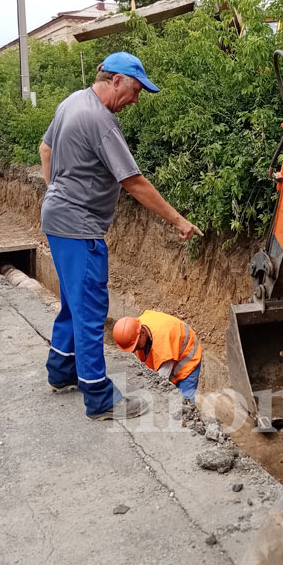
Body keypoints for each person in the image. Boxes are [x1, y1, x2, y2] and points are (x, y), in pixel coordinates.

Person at [39, 52, 203, 421]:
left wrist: (55, 192)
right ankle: (99, 397)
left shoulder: (71, 103)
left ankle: (61, 370)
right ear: (115, 81)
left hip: (57, 221)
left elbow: (45, 149)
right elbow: (133, 181)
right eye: (135, 90)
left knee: (71, 302)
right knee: (90, 312)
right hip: (80, 229)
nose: (135, 99)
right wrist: (178, 220)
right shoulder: (101, 120)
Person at [113, 312, 203, 402]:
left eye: (135, 346)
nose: (134, 350)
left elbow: (160, 380)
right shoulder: (134, 328)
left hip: (187, 355)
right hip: (168, 347)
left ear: (143, 333)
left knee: (185, 401)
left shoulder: (162, 346)